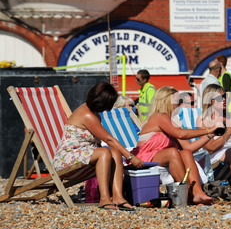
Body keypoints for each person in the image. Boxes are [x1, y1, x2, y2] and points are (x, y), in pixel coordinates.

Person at [52, 82, 144, 211]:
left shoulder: (94, 113)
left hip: (85, 157)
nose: (107, 109)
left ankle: (118, 197)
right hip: (66, 159)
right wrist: (130, 156)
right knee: (105, 152)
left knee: (115, 153)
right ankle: (104, 198)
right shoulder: (87, 114)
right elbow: (108, 139)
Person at [129, 86, 218, 205]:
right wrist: (208, 130)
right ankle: (189, 194)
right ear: (166, 101)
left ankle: (197, 193)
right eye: (177, 101)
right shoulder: (159, 116)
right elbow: (181, 134)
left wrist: (211, 134)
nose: (179, 105)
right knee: (172, 152)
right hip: (143, 157)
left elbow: (189, 148)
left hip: (160, 156)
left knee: (185, 153)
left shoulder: (171, 121)